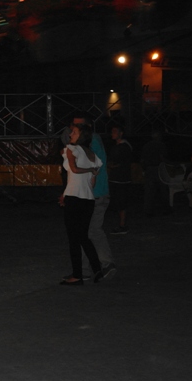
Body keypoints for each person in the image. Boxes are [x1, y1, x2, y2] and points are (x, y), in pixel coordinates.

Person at [59, 123, 105, 286]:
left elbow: (74, 169)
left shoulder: (71, 149)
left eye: (74, 132)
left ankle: (77, 275)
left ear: (81, 136)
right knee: (83, 237)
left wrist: (88, 171)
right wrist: (91, 171)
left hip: (75, 199)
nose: (71, 134)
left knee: (74, 239)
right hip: (88, 199)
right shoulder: (93, 155)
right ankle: (97, 269)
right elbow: (91, 183)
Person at [71, 115, 116, 280]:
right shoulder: (89, 142)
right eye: (74, 126)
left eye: (78, 127)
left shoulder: (92, 141)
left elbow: (96, 166)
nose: (74, 130)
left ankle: (106, 263)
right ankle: (85, 269)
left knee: (91, 230)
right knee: (86, 231)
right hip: (93, 193)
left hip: (95, 194)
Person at [108, 124, 133, 235]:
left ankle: (122, 225)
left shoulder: (124, 147)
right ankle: (120, 224)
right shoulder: (116, 146)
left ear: (121, 133)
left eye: (115, 131)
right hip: (115, 178)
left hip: (122, 179)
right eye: (112, 131)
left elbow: (123, 162)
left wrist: (113, 166)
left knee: (121, 202)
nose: (112, 134)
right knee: (117, 203)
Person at [140, 129, 168, 217]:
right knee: (163, 189)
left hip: (149, 169)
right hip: (158, 168)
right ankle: (165, 208)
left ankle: (148, 210)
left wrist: (144, 169)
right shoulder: (161, 145)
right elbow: (162, 157)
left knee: (149, 191)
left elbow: (142, 160)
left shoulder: (146, 146)